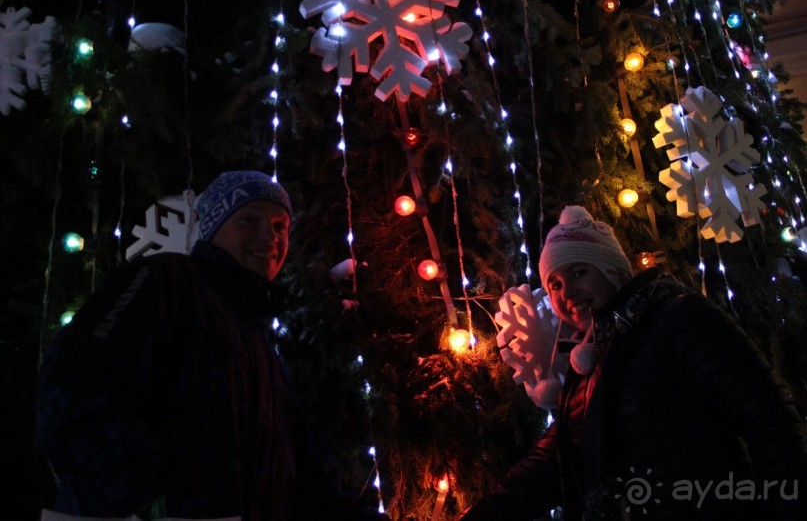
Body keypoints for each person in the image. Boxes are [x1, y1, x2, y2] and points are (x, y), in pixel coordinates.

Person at [37, 170, 383, 520]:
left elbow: (306, 476)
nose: (269, 236)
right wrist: (143, 494)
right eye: (249, 220)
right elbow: (76, 380)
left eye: (280, 226)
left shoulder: (263, 352)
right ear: (215, 228)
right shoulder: (165, 280)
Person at [460, 205, 807, 520]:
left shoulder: (679, 318)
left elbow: (768, 418)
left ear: (611, 270)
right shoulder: (589, 366)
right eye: (555, 284)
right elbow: (551, 463)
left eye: (579, 272)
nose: (567, 292)